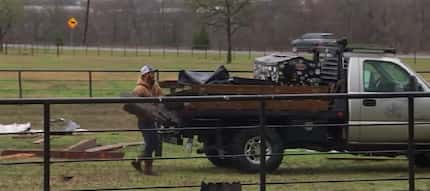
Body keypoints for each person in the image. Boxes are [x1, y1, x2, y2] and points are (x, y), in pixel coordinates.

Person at [131, 65, 163, 175]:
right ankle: (144, 165)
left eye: (153, 73)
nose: (153, 75)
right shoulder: (139, 89)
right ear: (144, 75)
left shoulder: (154, 86)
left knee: (154, 142)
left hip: (153, 119)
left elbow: (161, 97)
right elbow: (133, 106)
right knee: (151, 143)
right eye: (151, 73)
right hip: (144, 121)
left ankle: (139, 162)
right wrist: (145, 112)